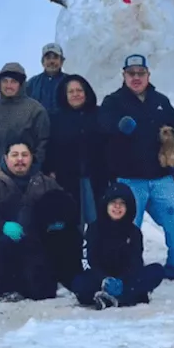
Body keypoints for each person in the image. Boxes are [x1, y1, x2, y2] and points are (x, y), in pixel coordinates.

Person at [99, 54, 174, 290]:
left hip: (162, 178)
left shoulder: (160, 100)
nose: (136, 78)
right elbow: (101, 129)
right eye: (131, 73)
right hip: (129, 180)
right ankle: (127, 270)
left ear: (148, 75)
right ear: (123, 75)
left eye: (140, 73)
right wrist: (118, 127)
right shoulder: (113, 102)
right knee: (127, 228)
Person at [0, 138, 72, 302]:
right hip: (2, 241)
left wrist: (57, 223)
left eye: (24, 155)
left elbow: (66, 206)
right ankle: (2, 284)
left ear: (31, 158)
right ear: (6, 158)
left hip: (35, 243)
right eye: (15, 155)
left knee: (41, 292)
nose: (20, 159)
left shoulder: (44, 183)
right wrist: (1, 225)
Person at [73, 184, 167, 309]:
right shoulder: (94, 229)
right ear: (106, 204)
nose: (117, 207)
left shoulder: (134, 232)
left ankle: (113, 298)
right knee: (79, 283)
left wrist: (122, 281)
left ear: (128, 207)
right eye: (113, 202)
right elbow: (88, 261)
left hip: (125, 281)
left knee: (156, 271)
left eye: (122, 203)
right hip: (99, 280)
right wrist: (104, 280)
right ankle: (124, 297)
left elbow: (136, 263)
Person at [42, 74, 109, 231]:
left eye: (79, 90)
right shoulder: (55, 118)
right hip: (66, 179)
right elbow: (49, 147)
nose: (75, 94)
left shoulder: (99, 114)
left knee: (98, 222)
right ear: (64, 95)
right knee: (71, 223)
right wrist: (49, 171)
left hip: (96, 178)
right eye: (71, 91)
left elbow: (109, 144)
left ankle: (95, 253)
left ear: (86, 92)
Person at [0, 62, 50, 169]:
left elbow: (43, 142)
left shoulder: (35, 110)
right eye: (5, 81)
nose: (8, 86)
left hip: (24, 171)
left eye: (13, 81)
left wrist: (33, 166)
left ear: (21, 85)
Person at [25, 43, 68, 117]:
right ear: (43, 62)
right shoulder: (32, 83)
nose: (52, 61)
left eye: (55, 57)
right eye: (48, 58)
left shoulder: (70, 82)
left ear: (61, 61)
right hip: (38, 127)